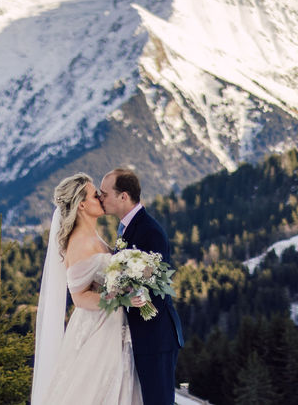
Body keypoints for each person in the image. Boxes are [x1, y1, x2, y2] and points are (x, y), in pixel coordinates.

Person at [31, 173, 143, 404]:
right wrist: (119, 299)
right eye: (95, 195)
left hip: (113, 323)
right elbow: (80, 297)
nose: (101, 198)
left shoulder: (92, 235)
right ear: (81, 204)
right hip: (97, 328)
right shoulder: (79, 243)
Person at [99, 168, 184, 405]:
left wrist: (127, 295)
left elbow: (157, 286)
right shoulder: (128, 227)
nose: (100, 198)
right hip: (139, 335)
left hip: (155, 337)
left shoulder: (150, 231)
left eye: (104, 194)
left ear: (123, 196)